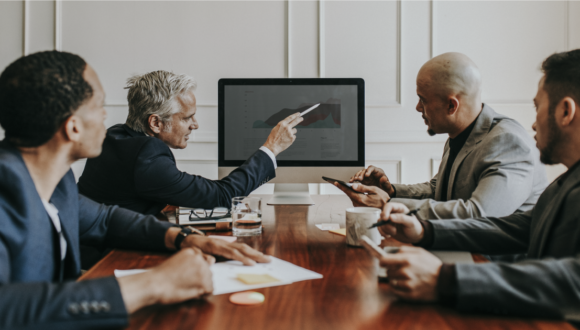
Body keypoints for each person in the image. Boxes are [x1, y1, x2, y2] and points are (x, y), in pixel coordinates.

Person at [0, 50, 271, 330]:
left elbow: (104, 219)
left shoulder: (58, 180)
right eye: (99, 106)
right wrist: (155, 283)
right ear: (73, 127)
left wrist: (185, 238)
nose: (106, 116)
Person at [364, 49, 580, 320]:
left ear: (565, 111)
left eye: (538, 107)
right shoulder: (568, 181)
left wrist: (444, 279)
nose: (533, 124)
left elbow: (573, 280)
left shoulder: (508, 141)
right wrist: (424, 231)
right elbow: (517, 227)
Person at [336, 52, 548, 221]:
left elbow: (479, 214)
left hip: (491, 265)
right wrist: (390, 191)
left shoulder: (509, 143)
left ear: (451, 105)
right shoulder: (460, 133)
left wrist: (387, 205)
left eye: (423, 99)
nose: (418, 107)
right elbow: (440, 191)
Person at [78, 70, 302, 216]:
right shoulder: (146, 154)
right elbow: (222, 196)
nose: (194, 125)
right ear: (155, 122)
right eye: (186, 118)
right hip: (112, 259)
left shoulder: (115, 136)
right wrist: (271, 148)